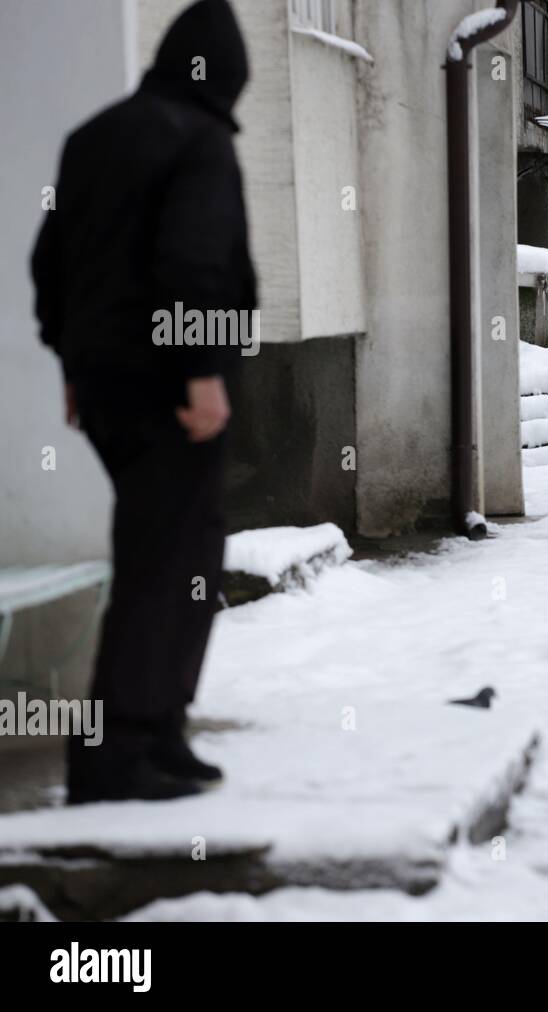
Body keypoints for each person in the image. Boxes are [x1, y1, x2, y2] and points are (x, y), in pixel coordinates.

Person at [30, 0, 256, 804]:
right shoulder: (198, 141)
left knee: (175, 551)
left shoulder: (92, 137)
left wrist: (69, 366)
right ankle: (114, 753)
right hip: (171, 384)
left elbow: (50, 260)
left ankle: (158, 729)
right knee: (165, 561)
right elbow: (193, 261)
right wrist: (200, 374)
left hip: (105, 384)